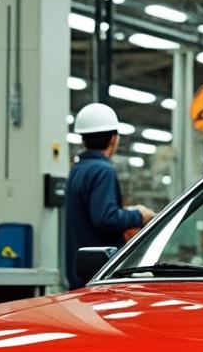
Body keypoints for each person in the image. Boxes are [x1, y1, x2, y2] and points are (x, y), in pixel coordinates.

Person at [64, 102, 154, 289]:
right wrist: (139, 215)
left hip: (79, 272)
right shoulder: (103, 170)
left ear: (83, 140)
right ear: (114, 139)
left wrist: (126, 212)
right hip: (99, 275)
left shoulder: (77, 170)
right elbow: (105, 218)